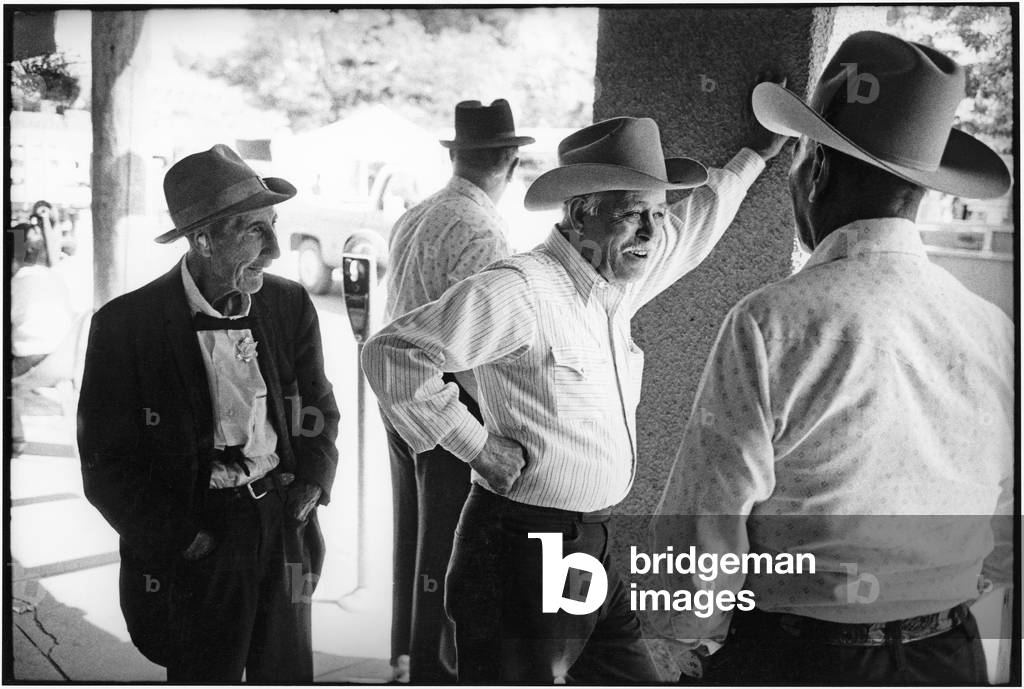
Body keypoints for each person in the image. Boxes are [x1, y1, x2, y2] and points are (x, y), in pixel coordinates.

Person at [363, 96, 786, 682]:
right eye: (635, 213)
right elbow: (393, 352)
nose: (651, 230)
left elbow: (694, 225)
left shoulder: (614, 280)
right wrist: (474, 444)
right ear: (583, 210)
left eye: (658, 214)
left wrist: (754, 156)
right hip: (520, 549)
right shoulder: (522, 290)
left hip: (589, 544)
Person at [650, 31, 1013, 684]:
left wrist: (682, 643)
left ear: (814, 171)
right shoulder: (994, 330)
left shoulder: (773, 322)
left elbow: (702, 534)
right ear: (920, 190)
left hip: (804, 657)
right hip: (950, 654)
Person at [77, 144, 340, 682]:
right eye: (252, 232)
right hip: (201, 533)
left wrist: (312, 482)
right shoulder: (128, 325)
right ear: (202, 238)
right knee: (203, 672)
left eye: (273, 226)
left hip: (281, 519)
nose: (272, 251)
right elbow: (105, 464)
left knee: (286, 671)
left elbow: (317, 407)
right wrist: (183, 538)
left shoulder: (288, 305)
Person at [382, 98, 534, 684]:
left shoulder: (418, 214)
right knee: (449, 550)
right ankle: (435, 672)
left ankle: (410, 656)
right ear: (510, 163)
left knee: (414, 537)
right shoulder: (483, 231)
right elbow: (485, 348)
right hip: (449, 404)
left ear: (460, 156)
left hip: (402, 400)